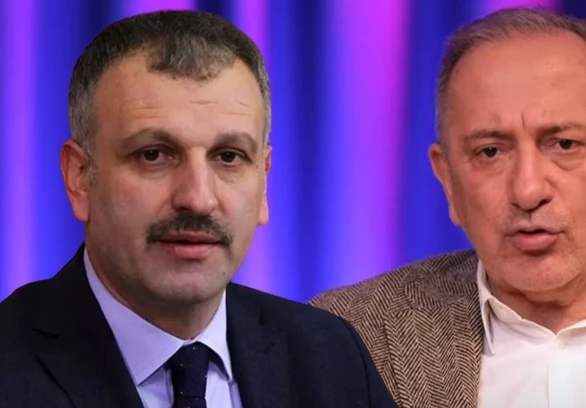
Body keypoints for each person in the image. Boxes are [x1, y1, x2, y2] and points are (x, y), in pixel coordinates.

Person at [310, 6, 586, 408]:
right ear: (448, 180)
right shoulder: (345, 336)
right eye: (490, 152)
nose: (528, 191)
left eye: (565, 144)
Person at [0, 10, 395, 408]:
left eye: (229, 156)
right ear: (80, 177)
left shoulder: (330, 358)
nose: (198, 198)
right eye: (153, 154)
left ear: (264, 182)